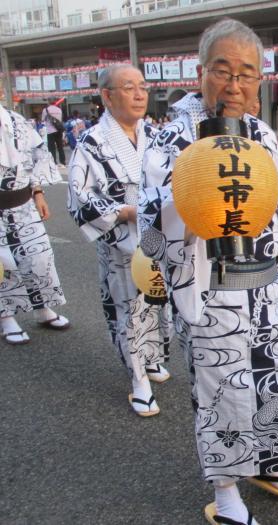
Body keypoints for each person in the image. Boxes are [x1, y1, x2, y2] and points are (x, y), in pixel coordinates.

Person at [138, 18, 278, 525]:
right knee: (223, 393)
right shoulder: (172, 135)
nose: (235, 83)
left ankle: (270, 463)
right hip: (211, 285)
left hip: (268, 282)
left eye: (247, 73)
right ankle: (225, 494)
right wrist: (195, 191)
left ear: (261, 80)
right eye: (222, 70)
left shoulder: (262, 131)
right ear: (201, 73)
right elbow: (155, 218)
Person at [67, 64, 172, 417]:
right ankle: (138, 379)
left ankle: (153, 357)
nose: (140, 94)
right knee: (129, 311)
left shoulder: (155, 136)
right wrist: (125, 211)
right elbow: (80, 197)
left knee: (159, 305)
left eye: (143, 86)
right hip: (122, 243)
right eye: (129, 87)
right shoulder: (91, 142)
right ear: (107, 96)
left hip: (158, 239)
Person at [0, 102, 70, 344]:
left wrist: (38, 192)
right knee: (4, 264)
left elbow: (34, 156)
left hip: (23, 203)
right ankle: (6, 317)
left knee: (39, 256)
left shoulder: (16, 120)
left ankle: (43, 308)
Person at [41, 100, 66, 167]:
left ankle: (53, 162)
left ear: (49, 102)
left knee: (51, 148)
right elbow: (60, 120)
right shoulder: (59, 110)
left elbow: (42, 120)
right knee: (60, 147)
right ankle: (63, 162)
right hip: (58, 130)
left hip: (50, 131)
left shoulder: (45, 110)